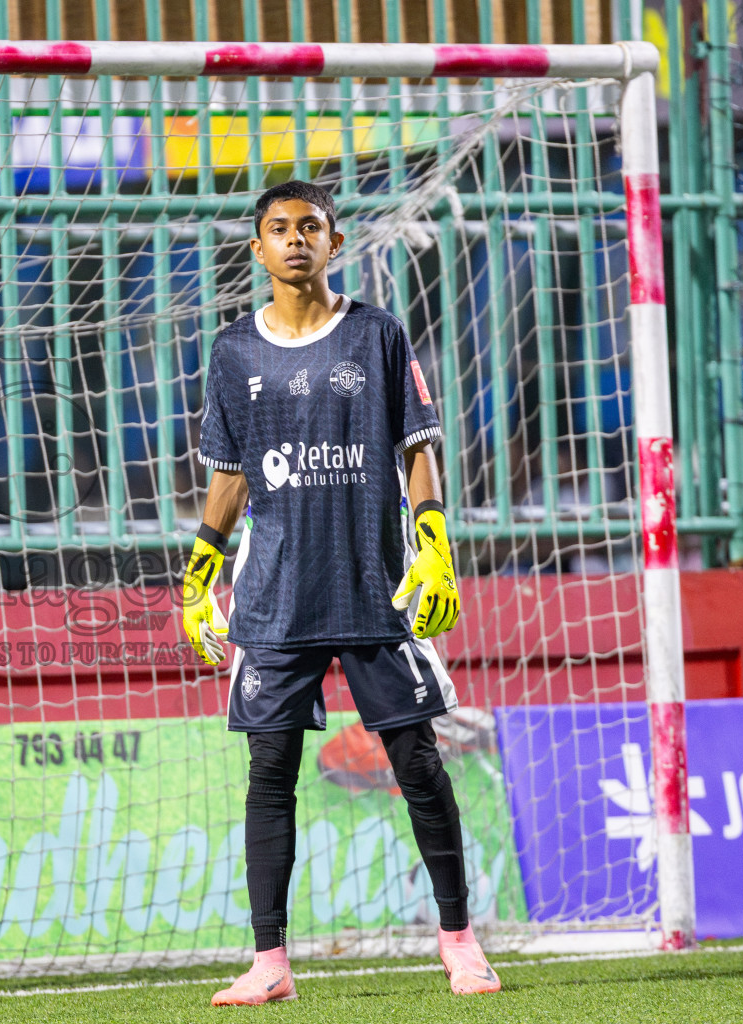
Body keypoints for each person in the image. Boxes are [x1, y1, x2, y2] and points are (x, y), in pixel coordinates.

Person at [181, 180, 501, 1004]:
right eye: (279, 228)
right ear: (257, 247)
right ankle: (270, 964)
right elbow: (230, 477)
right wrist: (200, 570)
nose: (295, 239)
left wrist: (433, 542)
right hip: (276, 594)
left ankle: (460, 942)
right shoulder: (233, 351)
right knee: (269, 771)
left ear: (335, 241)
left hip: (371, 586)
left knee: (418, 761)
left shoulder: (377, 334)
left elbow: (417, 448)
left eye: (310, 226)